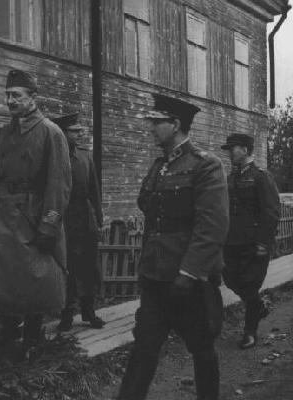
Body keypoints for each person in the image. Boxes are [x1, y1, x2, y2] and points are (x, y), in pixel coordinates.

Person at [117, 94, 229, 400]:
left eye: (157, 122)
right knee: (144, 347)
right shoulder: (159, 166)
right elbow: (150, 211)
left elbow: (212, 227)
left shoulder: (205, 165)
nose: (151, 128)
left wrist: (189, 273)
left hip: (188, 279)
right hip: (156, 276)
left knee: (202, 348)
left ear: (176, 124)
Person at [0, 69, 72, 359]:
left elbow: (59, 184)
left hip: (32, 219)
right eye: (8, 95)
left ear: (33, 98)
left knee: (34, 278)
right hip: (2, 217)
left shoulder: (51, 132)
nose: (10, 101)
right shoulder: (4, 134)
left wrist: (49, 225)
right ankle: (10, 329)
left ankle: (32, 336)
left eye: (16, 95)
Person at [221, 134, 280, 349]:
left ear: (245, 150)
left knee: (249, 283)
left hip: (253, 243)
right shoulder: (231, 177)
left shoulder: (261, 176)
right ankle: (259, 306)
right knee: (229, 279)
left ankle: (250, 332)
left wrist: (263, 243)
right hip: (231, 241)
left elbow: (271, 212)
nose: (229, 153)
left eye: (233, 148)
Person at [51, 112, 105, 331]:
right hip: (64, 224)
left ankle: (89, 312)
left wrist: (99, 218)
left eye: (80, 130)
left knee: (88, 269)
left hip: (85, 222)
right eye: (75, 131)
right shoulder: (54, 158)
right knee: (68, 270)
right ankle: (66, 315)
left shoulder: (84, 156)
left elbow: (94, 190)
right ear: (63, 133)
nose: (80, 133)